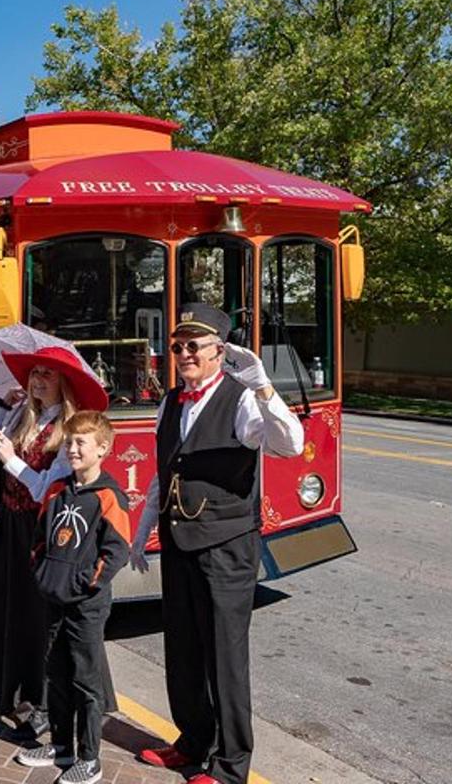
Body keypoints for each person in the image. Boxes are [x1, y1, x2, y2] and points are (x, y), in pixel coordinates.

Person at [131, 303, 303, 784]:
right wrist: (143, 529)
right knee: (182, 647)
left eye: (194, 346)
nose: (183, 354)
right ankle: (191, 741)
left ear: (219, 351)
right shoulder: (171, 400)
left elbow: (289, 442)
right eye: (177, 346)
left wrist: (264, 386)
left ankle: (230, 766)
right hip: (177, 538)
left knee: (224, 656)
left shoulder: (243, 397)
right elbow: (163, 473)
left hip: (227, 544)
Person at [0, 345, 108, 738]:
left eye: (48, 375)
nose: (38, 380)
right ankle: (0, 691)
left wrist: (11, 459)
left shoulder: (68, 430)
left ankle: (42, 704)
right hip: (8, 525)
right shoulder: (25, 413)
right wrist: (4, 412)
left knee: (38, 621)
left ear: (64, 384)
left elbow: (44, 489)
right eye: (35, 373)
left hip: (41, 532)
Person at [17, 410, 130, 784]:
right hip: (54, 598)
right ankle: (61, 744)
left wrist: (85, 584)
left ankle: (90, 757)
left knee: (86, 680)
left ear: (103, 449)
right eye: (69, 441)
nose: (72, 448)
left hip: (86, 605)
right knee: (57, 673)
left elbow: (116, 551)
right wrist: (43, 573)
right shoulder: (56, 490)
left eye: (81, 442)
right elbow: (39, 540)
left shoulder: (109, 497)